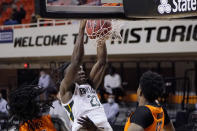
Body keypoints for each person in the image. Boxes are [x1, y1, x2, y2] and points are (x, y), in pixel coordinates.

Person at [59, 20, 112, 131]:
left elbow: (102, 61)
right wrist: (81, 29)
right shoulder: (66, 90)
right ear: (67, 76)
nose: (81, 71)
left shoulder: (90, 85)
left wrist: (99, 35)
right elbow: (76, 61)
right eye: (77, 71)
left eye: (82, 69)